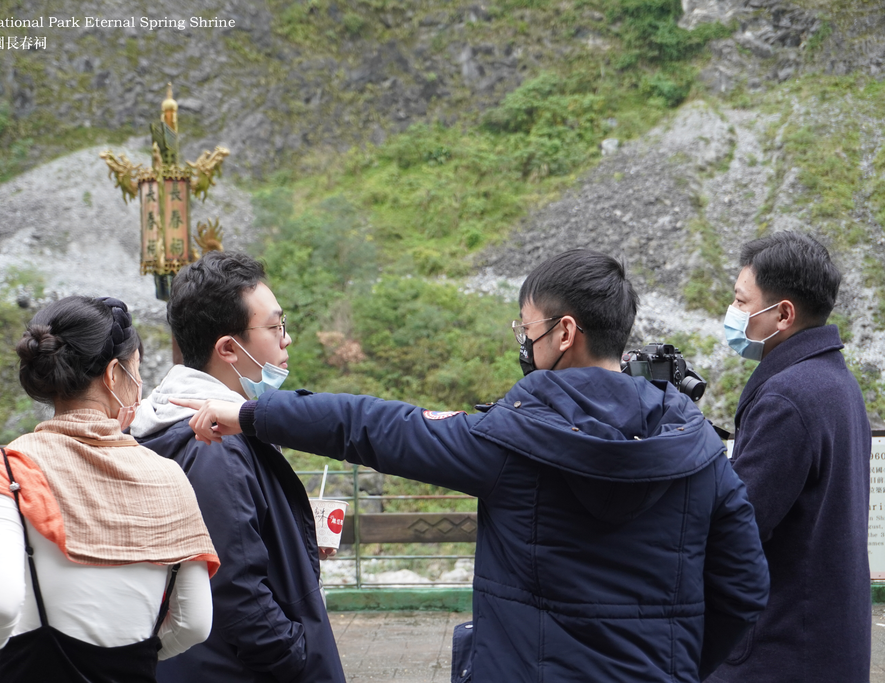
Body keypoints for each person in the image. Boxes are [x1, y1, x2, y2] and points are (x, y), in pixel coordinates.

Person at [175, 248, 771, 682]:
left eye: (527, 329)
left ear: (564, 333)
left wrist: (252, 415)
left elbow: (376, 427)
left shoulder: (511, 441)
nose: (523, 342)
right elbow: (745, 589)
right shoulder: (698, 449)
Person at [0, 296, 219, 683]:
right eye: (136, 371)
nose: (139, 387)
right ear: (113, 373)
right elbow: (194, 624)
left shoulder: (8, 466)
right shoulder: (169, 477)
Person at [130, 252, 347, 683]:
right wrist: (294, 655)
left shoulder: (177, 421)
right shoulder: (215, 444)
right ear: (228, 348)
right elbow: (234, 586)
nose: (287, 340)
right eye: (275, 327)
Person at [708, 232, 871, 683]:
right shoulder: (836, 381)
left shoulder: (786, 398)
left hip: (779, 651)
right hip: (828, 642)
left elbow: (736, 529)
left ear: (783, 314)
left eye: (742, 302)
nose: (733, 314)